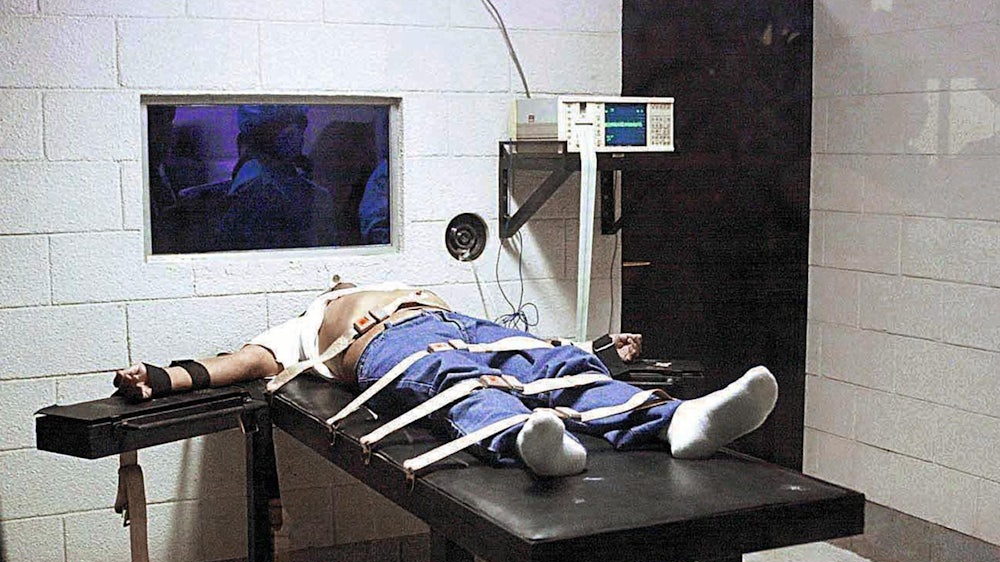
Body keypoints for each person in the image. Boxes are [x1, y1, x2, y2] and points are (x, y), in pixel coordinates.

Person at [114, 282, 778, 477]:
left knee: (552, 362)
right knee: (456, 380)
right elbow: (235, 365)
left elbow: (530, 352)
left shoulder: (400, 285)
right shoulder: (300, 327)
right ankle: (530, 441)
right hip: (387, 345)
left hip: (460, 320)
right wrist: (162, 378)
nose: (343, 277)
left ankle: (679, 420)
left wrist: (592, 347)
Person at [215, 105, 336, 251]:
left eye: (297, 125)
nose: (293, 135)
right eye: (277, 128)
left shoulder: (315, 194)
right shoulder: (251, 191)